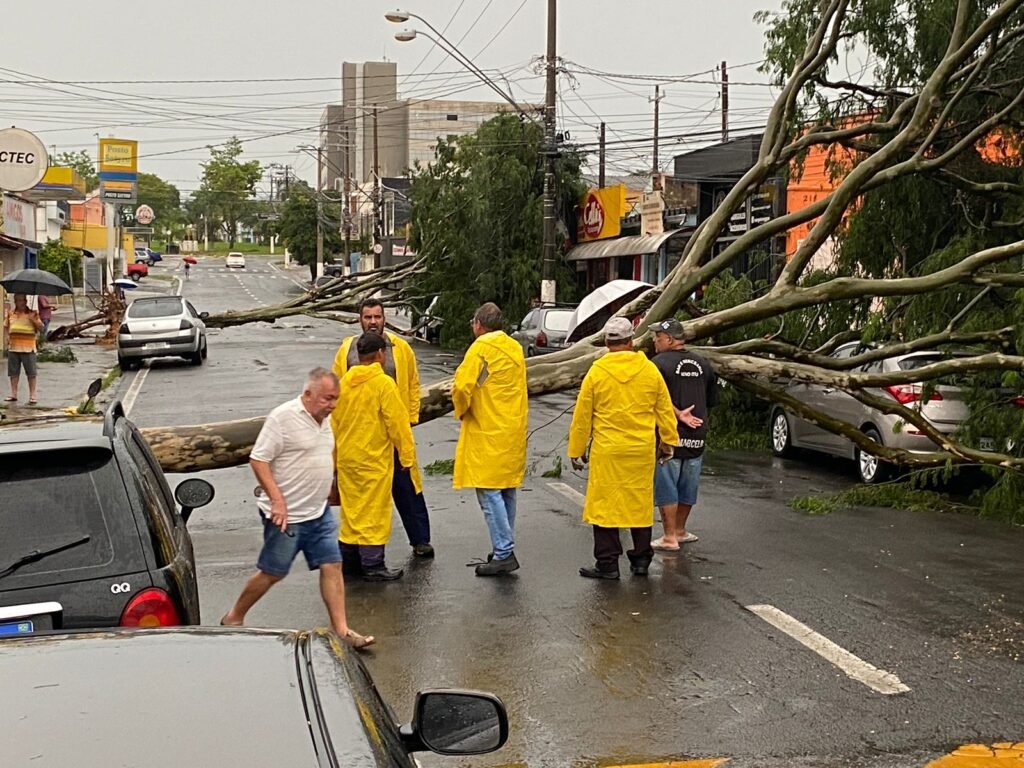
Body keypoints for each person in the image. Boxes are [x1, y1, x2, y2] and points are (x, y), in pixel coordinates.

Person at [222, 368, 373, 649]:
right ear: (308, 394)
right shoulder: (283, 418)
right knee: (273, 572)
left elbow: (318, 455)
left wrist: (331, 486)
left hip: (318, 512)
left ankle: (341, 630)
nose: (333, 405)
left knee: (332, 564)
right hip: (286, 517)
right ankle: (234, 616)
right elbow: (259, 460)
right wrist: (278, 501)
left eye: (336, 399)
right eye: (328, 398)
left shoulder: (324, 419)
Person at [568, 317, 678, 580]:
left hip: (608, 450)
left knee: (605, 508)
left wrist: (576, 449)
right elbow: (664, 409)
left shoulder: (597, 373)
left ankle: (607, 564)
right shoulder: (649, 370)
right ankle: (641, 560)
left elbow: (583, 416)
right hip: (640, 450)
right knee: (638, 505)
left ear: (607, 342)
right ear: (631, 341)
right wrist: (668, 441)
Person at [332, 298, 433, 558]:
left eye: (377, 317)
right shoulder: (347, 350)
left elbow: (412, 386)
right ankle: (362, 554)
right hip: (361, 437)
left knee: (407, 487)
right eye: (368, 317)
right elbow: (337, 393)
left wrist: (410, 420)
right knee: (362, 499)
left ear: (384, 319)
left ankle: (420, 539)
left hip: (394, 432)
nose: (373, 322)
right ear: (360, 319)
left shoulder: (401, 349)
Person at [332, 332, 419, 582]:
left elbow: (333, 426)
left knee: (351, 512)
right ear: (380, 354)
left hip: (347, 459)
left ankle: (349, 562)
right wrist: (407, 457)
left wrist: (333, 463)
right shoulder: (383, 385)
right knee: (374, 513)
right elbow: (398, 425)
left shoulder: (344, 385)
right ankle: (372, 564)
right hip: (373, 459)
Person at [452, 302, 528, 576]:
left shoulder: (481, 348)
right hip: (512, 428)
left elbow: (463, 386)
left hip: (487, 428)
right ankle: (501, 546)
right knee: (506, 489)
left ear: (478, 324)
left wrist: (462, 409)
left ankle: (504, 550)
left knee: (488, 491)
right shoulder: (514, 348)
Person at [649, 318, 718, 550]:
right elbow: (710, 400)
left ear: (669, 339)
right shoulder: (703, 364)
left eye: (657, 338)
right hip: (697, 433)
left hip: (669, 435)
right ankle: (680, 530)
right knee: (689, 483)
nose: (654, 342)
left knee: (667, 483)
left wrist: (677, 414)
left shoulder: (657, 364)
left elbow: (653, 399)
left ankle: (669, 536)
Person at [4, 294, 43, 405]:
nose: (23, 302)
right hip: (14, 347)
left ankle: (32, 395)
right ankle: (13, 394)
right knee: (13, 373)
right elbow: (6, 326)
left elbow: (41, 328)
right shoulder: (11, 313)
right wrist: (7, 337)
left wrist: (34, 320)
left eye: (24, 300)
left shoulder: (33, 313)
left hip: (28, 347)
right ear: (15, 302)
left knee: (31, 373)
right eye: (20, 300)